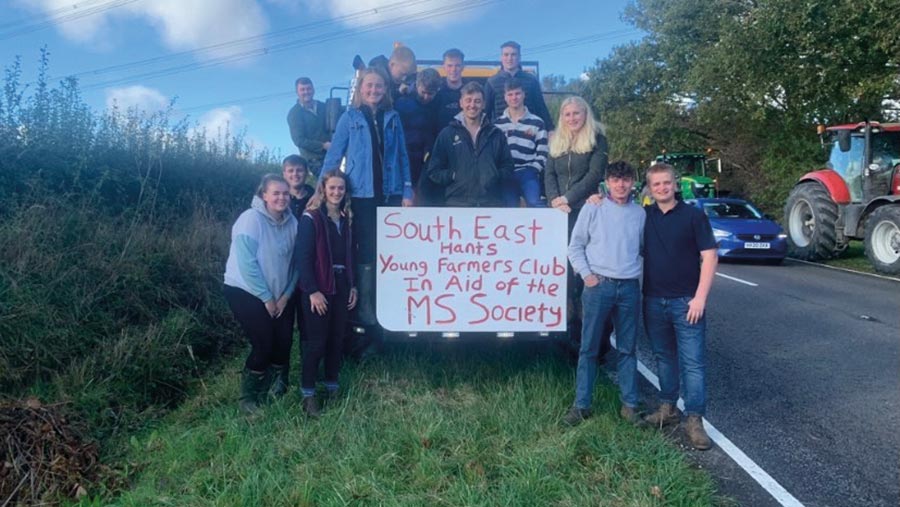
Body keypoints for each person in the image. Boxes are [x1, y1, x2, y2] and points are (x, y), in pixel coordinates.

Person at [321, 67, 413, 330]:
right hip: (361, 194)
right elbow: (333, 156)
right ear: (360, 89)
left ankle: (392, 303)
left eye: (379, 86)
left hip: (390, 193)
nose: (374, 90)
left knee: (392, 250)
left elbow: (403, 156)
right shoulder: (348, 118)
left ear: (385, 90)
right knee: (366, 249)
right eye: (369, 86)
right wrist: (321, 191)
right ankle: (365, 308)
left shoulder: (393, 117)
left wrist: (407, 190)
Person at [640, 162, 718, 450]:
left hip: (687, 301)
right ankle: (668, 408)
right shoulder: (643, 217)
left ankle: (695, 420)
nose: (662, 188)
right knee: (663, 357)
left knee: (693, 363)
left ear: (675, 184)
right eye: (656, 184)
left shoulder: (694, 216)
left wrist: (700, 297)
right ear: (649, 189)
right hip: (652, 299)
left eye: (666, 182)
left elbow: (709, 257)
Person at [563, 162, 645, 426]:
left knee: (627, 349)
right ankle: (582, 405)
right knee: (588, 348)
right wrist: (586, 275)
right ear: (607, 182)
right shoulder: (593, 207)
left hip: (629, 288)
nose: (620, 184)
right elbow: (575, 246)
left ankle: (630, 406)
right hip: (599, 286)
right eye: (615, 179)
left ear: (633, 182)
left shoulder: (640, 214)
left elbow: (645, 249)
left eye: (626, 179)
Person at [223, 174, 299, 414]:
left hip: (281, 293)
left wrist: (286, 296)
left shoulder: (292, 222)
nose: (281, 198)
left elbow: (297, 263)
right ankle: (248, 398)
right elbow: (247, 264)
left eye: (285, 193)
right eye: (275, 193)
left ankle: (277, 385)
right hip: (245, 290)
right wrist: (266, 298)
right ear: (263, 195)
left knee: (284, 340)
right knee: (264, 343)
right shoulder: (250, 220)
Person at [544, 96, 609, 355]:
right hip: (560, 214)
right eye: (567, 114)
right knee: (562, 275)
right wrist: (554, 201)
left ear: (585, 115)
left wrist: (568, 198)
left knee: (587, 273)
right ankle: (566, 335)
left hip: (586, 210)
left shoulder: (597, 139)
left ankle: (595, 339)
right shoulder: (556, 141)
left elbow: (594, 175)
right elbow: (548, 172)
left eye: (577, 114)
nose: (572, 118)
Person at [296, 170, 357, 418]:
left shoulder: (346, 219)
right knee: (316, 343)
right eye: (332, 187)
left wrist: (352, 286)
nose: (336, 192)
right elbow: (303, 257)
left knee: (336, 339)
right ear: (323, 189)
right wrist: (312, 291)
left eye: (340, 188)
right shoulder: (311, 218)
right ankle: (308, 395)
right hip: (319, 287)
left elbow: (349, 256)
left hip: (341, 287)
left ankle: (332, 388)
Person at [426, 81, 514, 207]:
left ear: (484, 104)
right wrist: (453, 175)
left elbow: (508, 166)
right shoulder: (447, 134)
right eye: (468, 100)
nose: (472, 105)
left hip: (491, 204)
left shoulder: (496, 134)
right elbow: (434, 170)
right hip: (457, 204)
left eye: (477, 101)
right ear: (461, 103)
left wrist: (494, 175)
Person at [494, 78, 548, 207]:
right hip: (506, 173)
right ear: (505, 97)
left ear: (524, 94)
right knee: (509, 207)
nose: (514, 98)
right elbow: (494, 152)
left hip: (528, 172)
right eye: (510, 94)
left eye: (517, 93)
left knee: (535, 202)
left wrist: (534, 169)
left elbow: (543, 151)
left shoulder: (537, 122)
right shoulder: (497, 125)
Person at [395, 68, 441, 205]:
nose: (426, 97)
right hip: (404, 160)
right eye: (423, 92)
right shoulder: (401, 103)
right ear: (417, 85)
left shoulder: (438, 104)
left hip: (427, 163)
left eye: (430, 94)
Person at [483, 41, 554, 129]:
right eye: (506, 55)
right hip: (501, 133)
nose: (509, 58)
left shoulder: (531, 80)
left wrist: (550, 129)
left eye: (513, 54)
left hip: (529, 132)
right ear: (501, 58)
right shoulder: (492, 82)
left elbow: (541, 107)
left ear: (519, 57)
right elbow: (486, 112)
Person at [286, 77, 330, 175]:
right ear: (297, 92)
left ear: (313, 90)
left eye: (308, 89)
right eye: (302, 89)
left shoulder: (324, 107)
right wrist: (323, 146)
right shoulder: (295, 113)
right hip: (315, 160)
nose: (306, 92)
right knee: (327, 184)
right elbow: (299, 140)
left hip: (333, 154)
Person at [434, 48, 466, 127]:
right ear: (443, 67)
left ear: (463, 67)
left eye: (457, 65)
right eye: (450, 66)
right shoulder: (436, 93)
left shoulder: (469, 93)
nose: (453, 69)